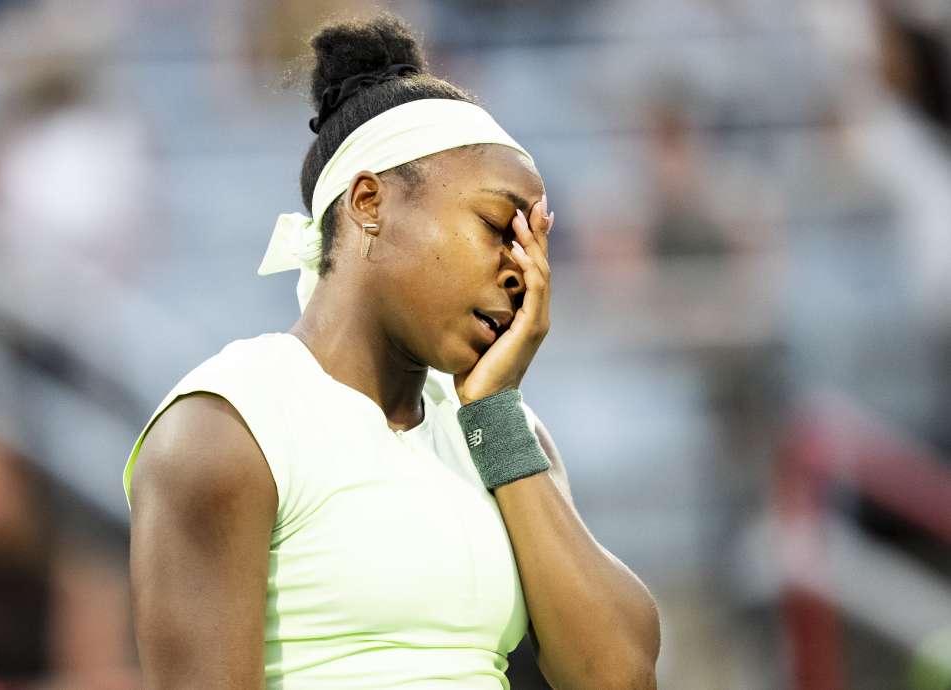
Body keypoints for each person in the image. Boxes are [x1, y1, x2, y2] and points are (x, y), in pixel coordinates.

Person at [125, 14, 660, 689]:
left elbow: (620, 677)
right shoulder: (227, 427)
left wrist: (495, 415)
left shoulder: (504, 436)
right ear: (370, 202)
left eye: (535, 241)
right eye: (499, 226)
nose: (525, 270)